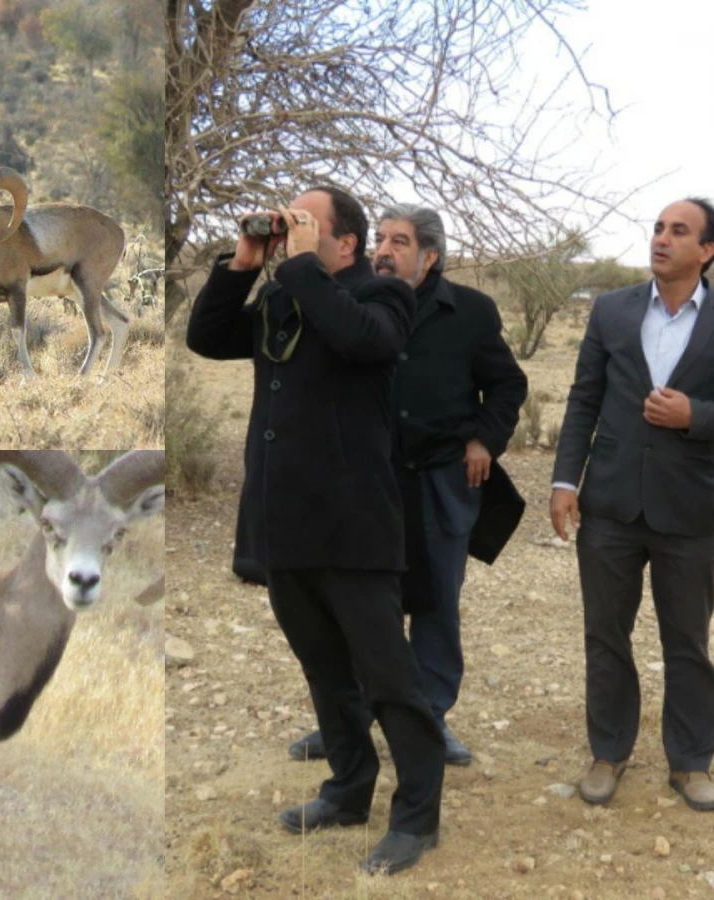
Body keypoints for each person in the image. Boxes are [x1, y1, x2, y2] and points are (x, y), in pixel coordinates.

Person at [186, 185, 445, 875]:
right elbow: (206, 337)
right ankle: (348, 791)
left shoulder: (384, 296)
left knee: (390, 681)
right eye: (287, 221)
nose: (291, 233)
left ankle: (416, 819)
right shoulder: (283, 293)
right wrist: (244, 262)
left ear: (346, 243)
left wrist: (298, 268)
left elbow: (363, 341)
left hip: (354, 526)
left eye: (305, 223)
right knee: (327, 674)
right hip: (285, 523)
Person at [288, 204, 527, 766]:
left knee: (437, 602)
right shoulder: (356, 300)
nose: (384, 251)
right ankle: (348, 722)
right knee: (359, 605)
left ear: (430, 256)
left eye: (400, 242)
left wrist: (484, 441)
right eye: (381, 240)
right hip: (368, 476)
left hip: (442, 478)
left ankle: (431, 719)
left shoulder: (469, 311)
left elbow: (508, 384)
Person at [550, 198, 714, 811]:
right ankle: (608, 751)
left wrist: (693, 415)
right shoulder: (612, 309)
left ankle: (692, 761)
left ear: (707, 250)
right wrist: (565, 480)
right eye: (658, 229)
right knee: (606, 636)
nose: (662, 239)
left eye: (679, 231)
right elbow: (582, 398)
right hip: (612, 504)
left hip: (693, 510)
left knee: (689, 642)